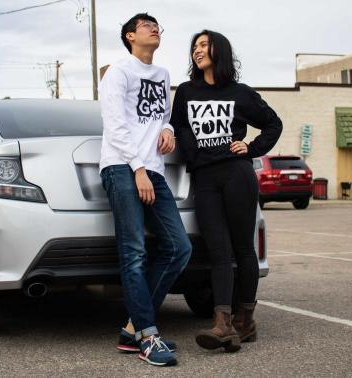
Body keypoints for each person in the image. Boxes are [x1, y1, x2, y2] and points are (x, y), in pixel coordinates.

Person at [170, 30, 283, 352]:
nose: (197, 51)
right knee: (218, 252)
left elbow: (273, 123)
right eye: (194, 46)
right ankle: (223, 323)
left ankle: (244, 321)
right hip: (204, 179)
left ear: (219, 50)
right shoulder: (187, 92)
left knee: (243, 250)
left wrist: (251, 148)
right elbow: (178, 127)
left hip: (237, 174)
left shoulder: (241, 93)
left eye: (203, 45)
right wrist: (193, 155)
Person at [99, 13, 192, 367]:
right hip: (123, 167)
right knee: (134, 251)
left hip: (153, 169)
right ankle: (148, 337)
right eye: (146, 25)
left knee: (179, 247)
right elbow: (116, 123)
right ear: (130, 36)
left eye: (158, 26)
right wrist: (137, 168)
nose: (155, 29)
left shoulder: (163, 75)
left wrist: (168, 130)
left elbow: (159, 115)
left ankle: (132, 329)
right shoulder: (119, 71)